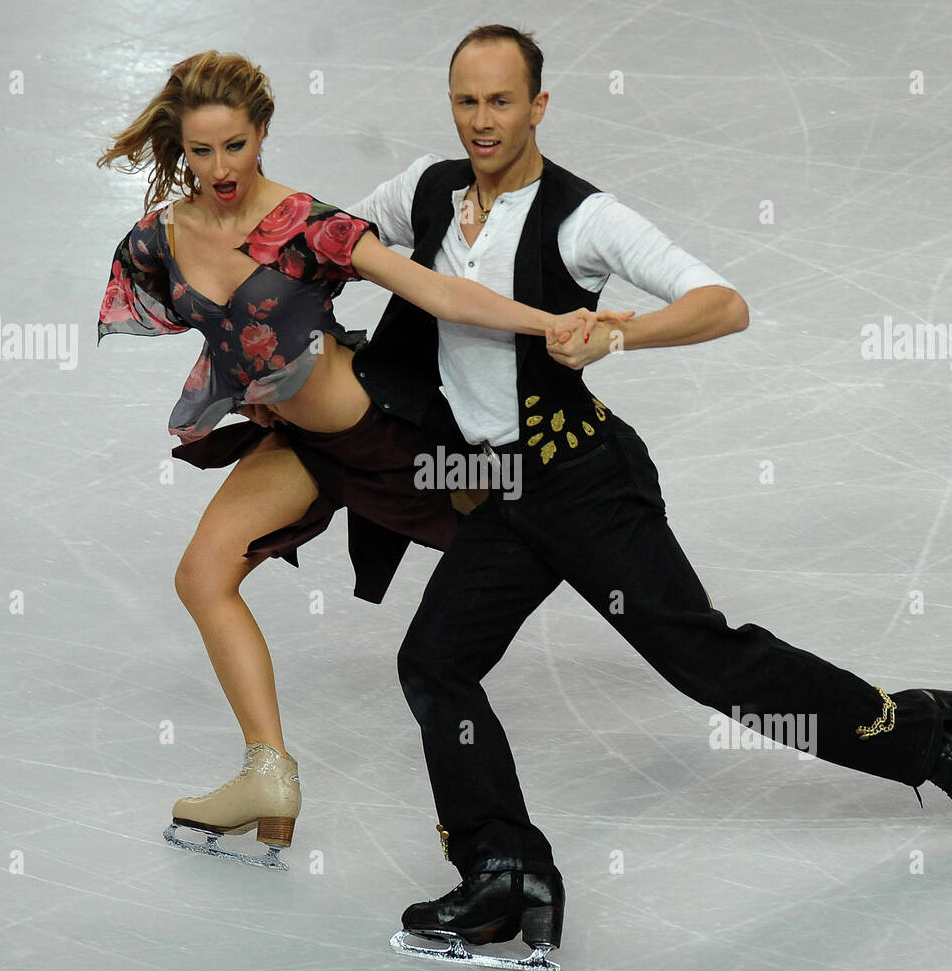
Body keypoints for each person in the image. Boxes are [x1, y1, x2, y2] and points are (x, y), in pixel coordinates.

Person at [348, 25, 952, 963]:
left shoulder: (583, 218)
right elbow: (333, 239)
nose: (482, 121)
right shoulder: (422, 192)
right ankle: (505, 869)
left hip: (585, 483)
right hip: (501, 495)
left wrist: (620, 337)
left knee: (707, 663)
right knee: (435, 663)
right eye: (466, 101)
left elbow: (721, 301)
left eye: (502, 101)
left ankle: (924, 734)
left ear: (540, 104)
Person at [95, 50, 627, 867]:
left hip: (393, 440)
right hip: (307, 447)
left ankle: (670, 620)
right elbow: (220, 330)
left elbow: (441, 293)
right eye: (201, 151)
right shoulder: (163, 237)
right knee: (202, 574)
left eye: (234, 146)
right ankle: (267, 772)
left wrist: (548, 323)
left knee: (544, 528)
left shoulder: (311, 224)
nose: (220, 168)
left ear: (262, 132)